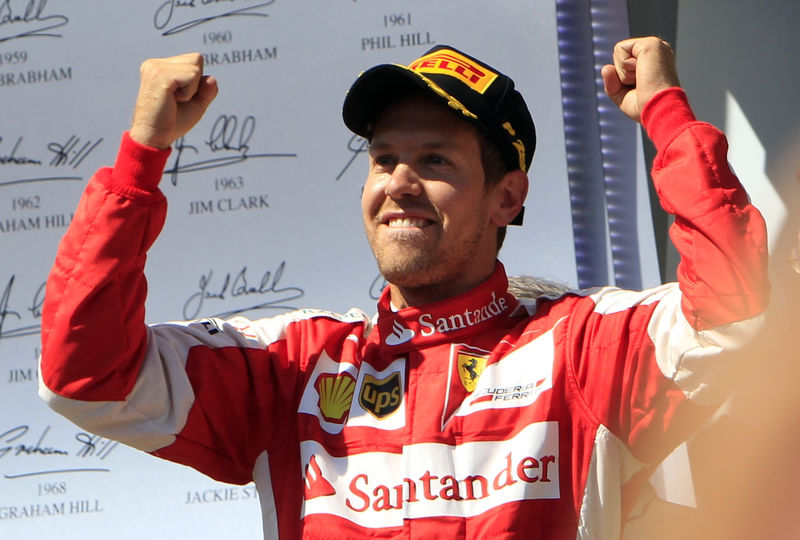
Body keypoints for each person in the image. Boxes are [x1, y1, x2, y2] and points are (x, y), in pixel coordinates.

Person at [39, 38, 769, 539]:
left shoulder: (583, 347)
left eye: (434, 159)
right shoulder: (294, 364)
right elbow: (86, 376)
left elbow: (734, 306)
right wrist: (142, 156)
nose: (398, 183)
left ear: (507, 197)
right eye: (383, 157)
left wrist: (667, 114)